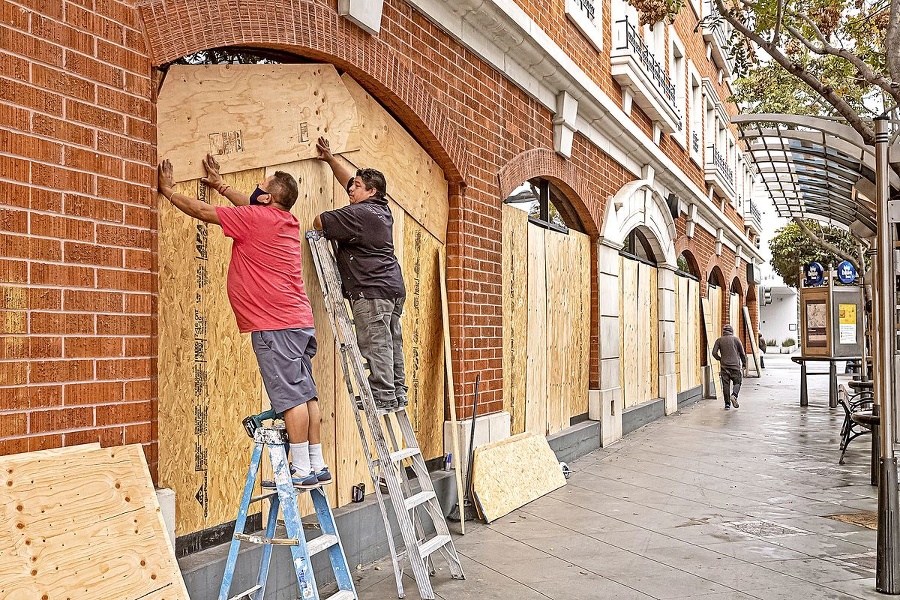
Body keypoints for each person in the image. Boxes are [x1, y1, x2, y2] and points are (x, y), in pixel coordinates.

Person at [157, 154, 331, 487]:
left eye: (259, 188)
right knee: (306, 395)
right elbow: (246, 207)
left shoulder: (255, 219)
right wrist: (221, 185)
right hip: (297, 322)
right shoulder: (284, 220)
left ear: (266, 199)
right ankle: (315, 464)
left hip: (274, 324)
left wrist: (169, 191)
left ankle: (300, 470)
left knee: (290, 398)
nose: (253, 190)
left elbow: (202, 212)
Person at [313, 137, 408, 411]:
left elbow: (320, 221)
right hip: (391, 288)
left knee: (375, 342)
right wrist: (331, 159)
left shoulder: (359, 214)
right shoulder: (381, 210)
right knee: (391, 341)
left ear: (371, 191)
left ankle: (382, 396)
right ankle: (397, 393)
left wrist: (333, 219)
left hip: (371, 290)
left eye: (356, 187)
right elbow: (350, 184)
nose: (350, 190)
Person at [712, 324, 746, 410]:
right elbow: (742, 353)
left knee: (725, 385)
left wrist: (720, 359)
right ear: (732, 331)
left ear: (723, 332)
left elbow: (714, 353)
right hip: (735, 366)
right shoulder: (736, 340)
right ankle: (734, 395)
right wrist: (744, 364)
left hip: (724, 366)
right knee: (737, 382)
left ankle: (727, 404)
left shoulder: (719, 340)